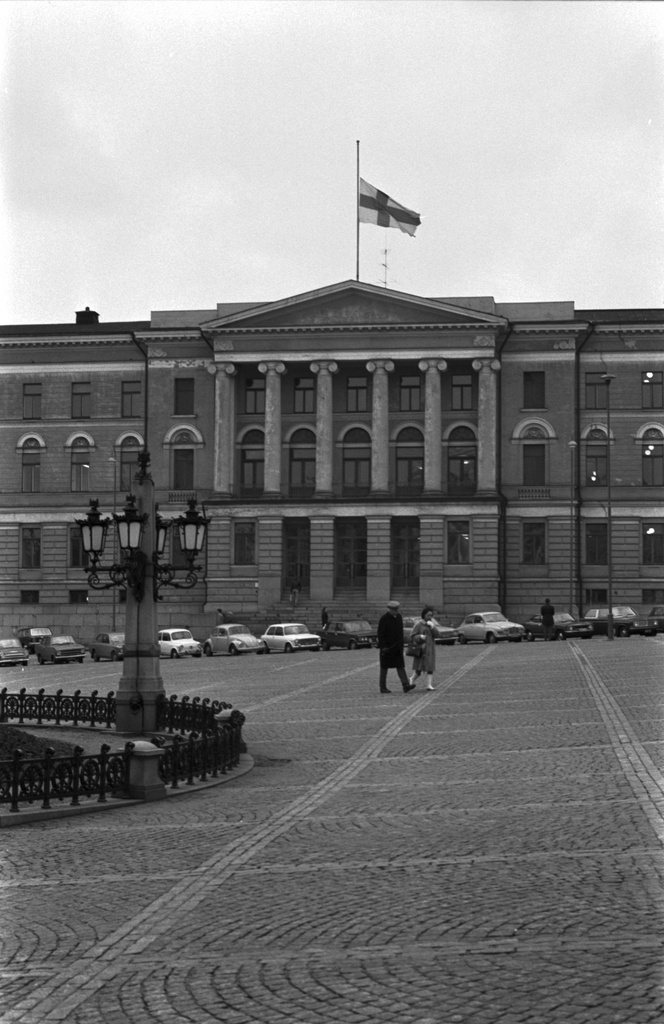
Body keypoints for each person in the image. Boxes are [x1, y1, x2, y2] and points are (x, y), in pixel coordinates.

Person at [377, 600, 416, 694]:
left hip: (397, 648)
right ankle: (383, 687)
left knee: (400, 666)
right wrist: (384, 647)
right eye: (395, 610)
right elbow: (380, 634)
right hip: (387, 648)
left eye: (397, 609)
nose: (397, 611)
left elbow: (400, 632)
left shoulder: (399, 617)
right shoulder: (384, 619)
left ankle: (406, 685)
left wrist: (402, 644)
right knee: (384, 668)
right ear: (390, 609)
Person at [409, 607, 437, 691]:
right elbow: (413, 636)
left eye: (431, 615)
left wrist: (433, 627)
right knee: (419, 668)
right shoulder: (418, 624)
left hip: (430, 649)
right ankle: (412, 679)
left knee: (430, 667)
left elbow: (438, 635)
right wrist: (420, 637)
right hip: (421, 649)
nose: (430, 617)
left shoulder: (430, 624)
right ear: (424, 615)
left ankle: (429, 685)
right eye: (428, 615)